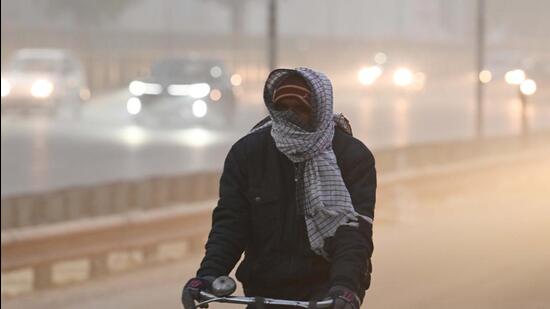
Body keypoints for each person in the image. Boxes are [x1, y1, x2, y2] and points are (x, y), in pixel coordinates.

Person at [183, 67, 376, 309]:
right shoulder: (248, 154)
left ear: (319, 110)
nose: (290, 115)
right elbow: (231, 223)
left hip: (327, 293)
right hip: (263, 291)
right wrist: (208, 275)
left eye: (300, 109)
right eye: (282, 108)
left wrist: (346, 287)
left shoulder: (352, 156)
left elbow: (354, 232)